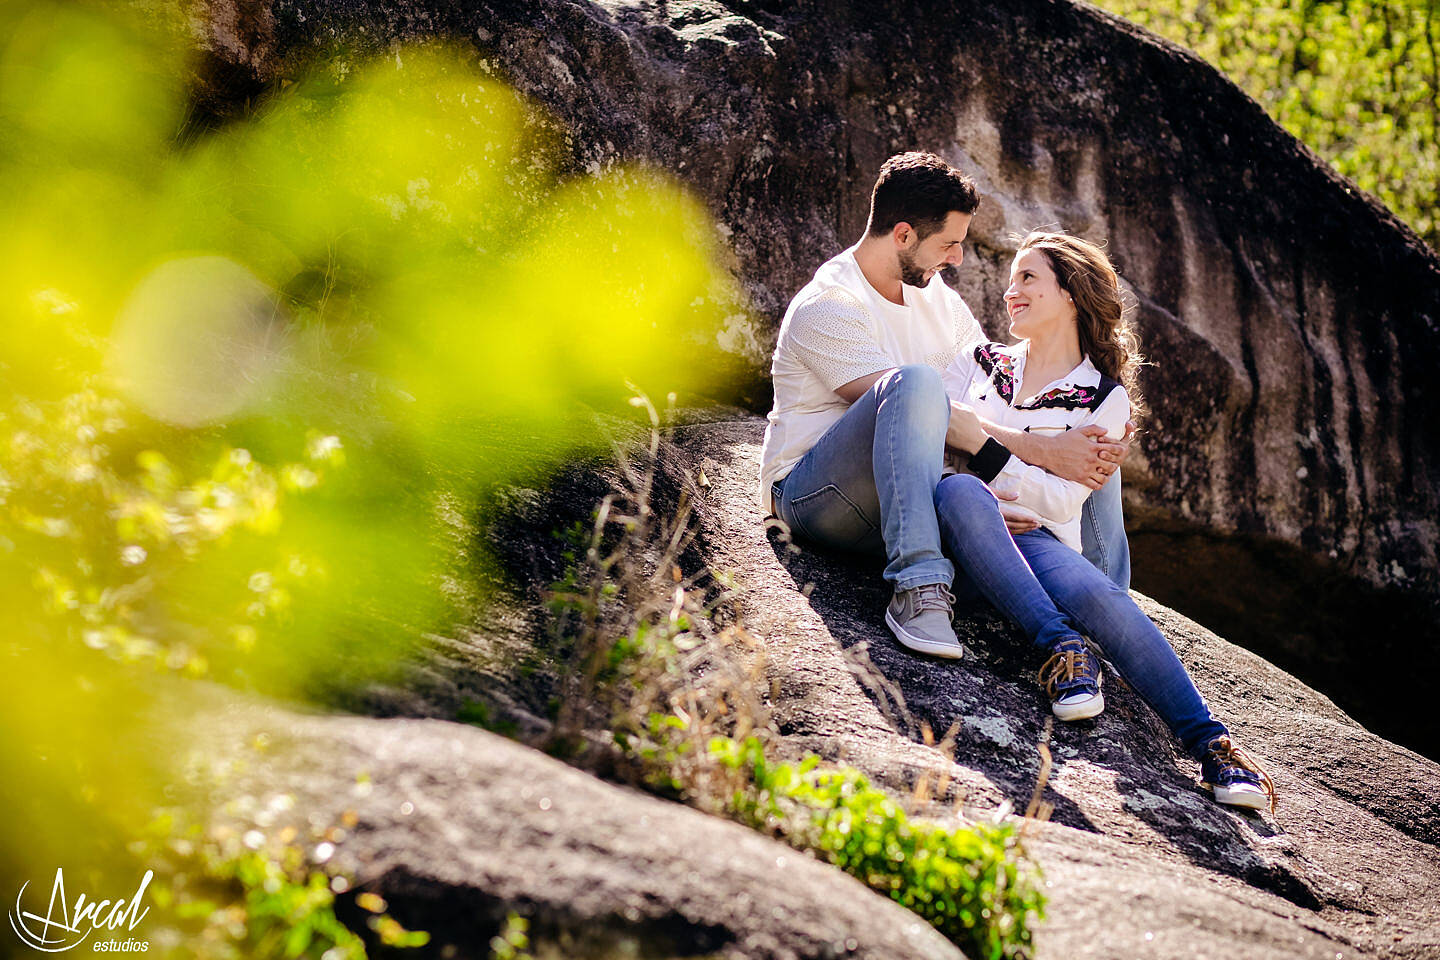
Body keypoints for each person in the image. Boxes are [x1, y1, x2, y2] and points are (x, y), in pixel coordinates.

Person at [938, 231, 1276, 811]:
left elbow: (1059, 502)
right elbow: (938, 441)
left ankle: (1212, 747)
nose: (1008, 292)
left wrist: (982, 440)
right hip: (962, 536)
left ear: (1070, 295)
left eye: (1027, 278)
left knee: (1088, 587)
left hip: (1034, 541)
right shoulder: (975, 361)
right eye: (1012, 278)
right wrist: (1008, 469)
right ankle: (1061, 646)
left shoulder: (1104, 399)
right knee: (963, 493)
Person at [758, 152, 1129, 660]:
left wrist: (1017, 487)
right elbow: (923, 413)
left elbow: (984, 400)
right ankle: (916, 587)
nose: (957, 259)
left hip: (910, 492)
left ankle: (1106, 610)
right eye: (950, 244)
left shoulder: (941, 303)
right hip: (817, 498)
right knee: (912, 385)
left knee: (1096, 446)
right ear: (904, 235)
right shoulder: (828, 306)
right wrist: (1043, 452)